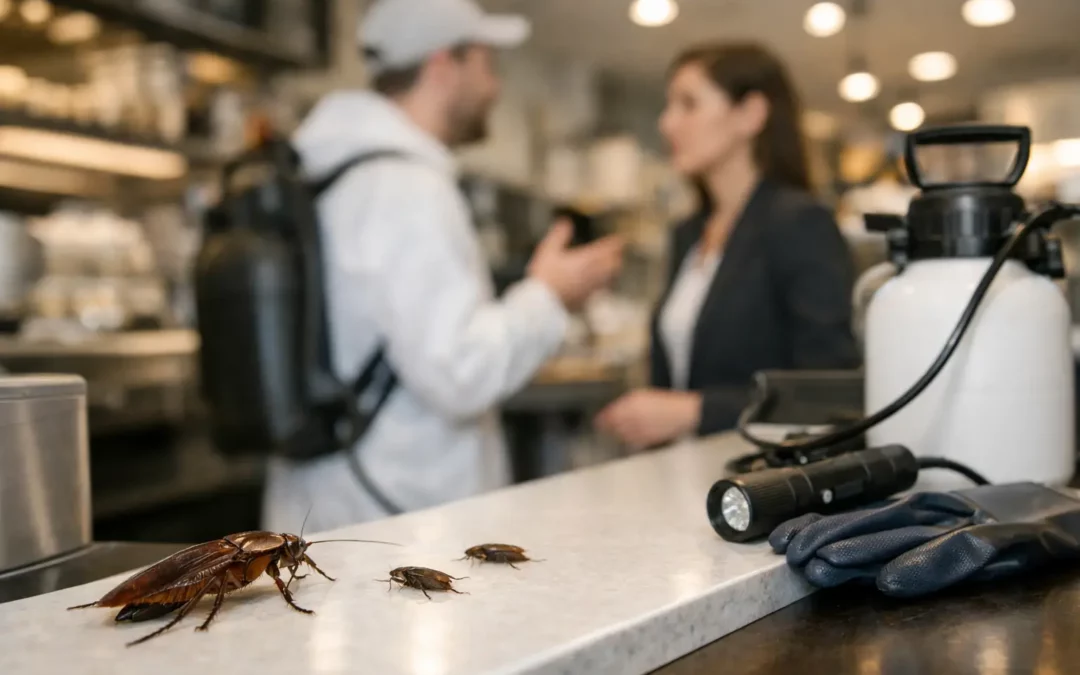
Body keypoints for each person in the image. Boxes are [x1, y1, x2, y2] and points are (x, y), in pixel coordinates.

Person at [262, 0, 623, 533]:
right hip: (397, 523)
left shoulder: (338, 170)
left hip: (339, 502)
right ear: (440, 67)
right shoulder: (405, 186)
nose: (495, 86)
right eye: (486, 63)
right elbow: (459, 371)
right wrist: (548, 293)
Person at [595, 42, 859, 450]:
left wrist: (693, 411)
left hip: (762, 485)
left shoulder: (800, 223)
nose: (667, 124)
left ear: (750, 114)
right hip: (680, 478)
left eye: (689, 104)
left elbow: (831, 393)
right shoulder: (688, 233)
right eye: (669, 106)